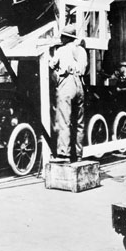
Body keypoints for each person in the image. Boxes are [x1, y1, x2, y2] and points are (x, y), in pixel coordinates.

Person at [49, 24, 87, 163]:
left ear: (65, 38)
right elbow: (85, 68)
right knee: (79, 122)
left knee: (64, 120)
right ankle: (78, 154)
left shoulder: (61, 50)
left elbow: (51, 65)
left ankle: (64, 154)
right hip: (80, 84)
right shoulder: (82, 51)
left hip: (67, 84)